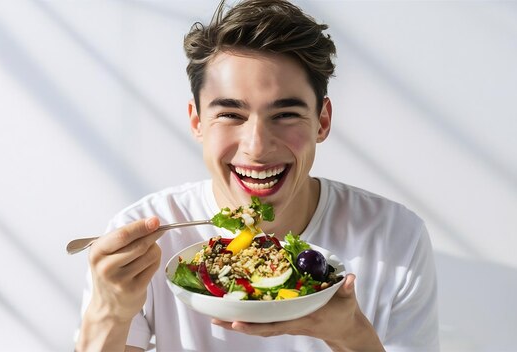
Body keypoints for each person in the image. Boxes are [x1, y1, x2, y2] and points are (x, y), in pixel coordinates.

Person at [76, 0, 439, 351]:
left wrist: (352, 336)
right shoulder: (146, 243)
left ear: (322, 121)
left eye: (285, 115)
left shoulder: (395, 237)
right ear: (197, 122)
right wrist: (108, 313)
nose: (257, 146)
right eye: (231, 115)